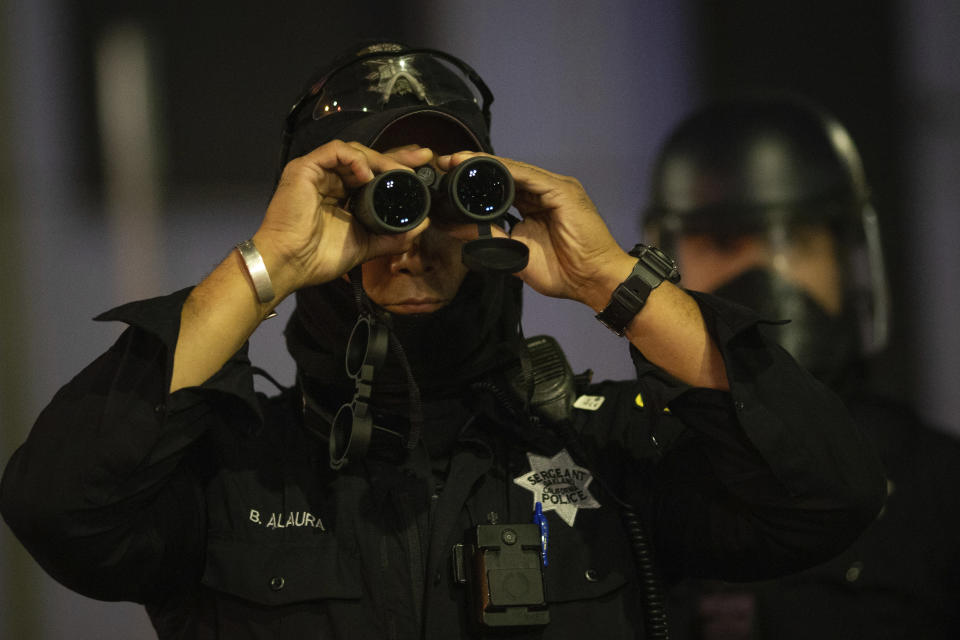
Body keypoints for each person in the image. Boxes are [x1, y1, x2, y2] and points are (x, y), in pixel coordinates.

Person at [0, 44, 884, 640]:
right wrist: (268, 264)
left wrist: (610, 278)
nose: (411, 235)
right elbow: (57, 507)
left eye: (448, 194)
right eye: (379, 197)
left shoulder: (607, 450)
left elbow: (828, 497)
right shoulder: (230, 473)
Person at [644, 94, 960, 639]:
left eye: (798, 240)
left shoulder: (940, 487)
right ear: (668, 259)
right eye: (723, 242)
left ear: (849, 259)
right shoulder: (632, 472)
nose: (766, 273)